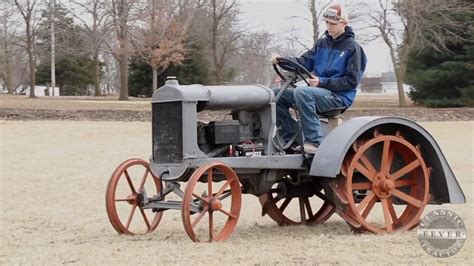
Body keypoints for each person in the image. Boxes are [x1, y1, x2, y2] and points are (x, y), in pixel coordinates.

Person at [271, 2, 367, 154]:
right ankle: (290, 134)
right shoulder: (322, 43)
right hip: (318, 93)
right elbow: (303, 62)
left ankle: (314, 142)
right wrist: (282, 61)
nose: (329, 27)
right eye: (327, 23)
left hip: (339, 98)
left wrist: (322, 82)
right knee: (275, 94)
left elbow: (351, 82)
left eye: (333, 23)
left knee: (302, 92)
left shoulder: (353, 48)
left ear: (344, 23)